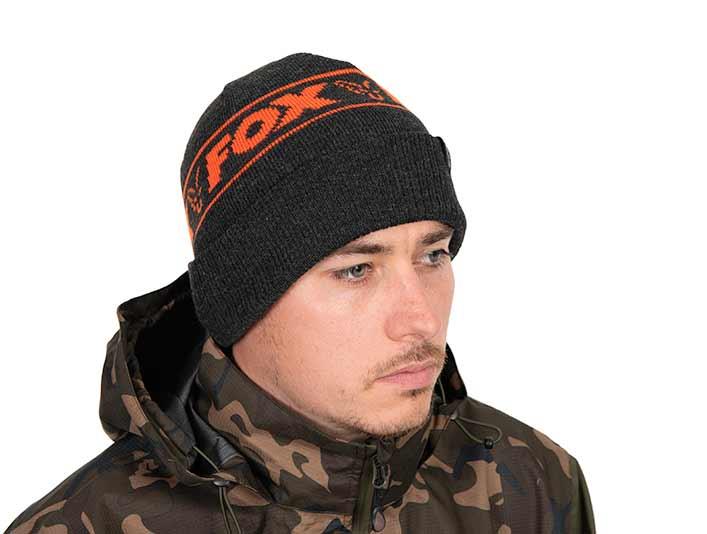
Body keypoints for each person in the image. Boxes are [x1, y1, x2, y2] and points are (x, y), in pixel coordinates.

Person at [6, 52, 596, 534]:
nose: (419, 319)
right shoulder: (82, 526)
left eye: (433, 255)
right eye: (356, 270)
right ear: (243, 298)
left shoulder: (532, 483)